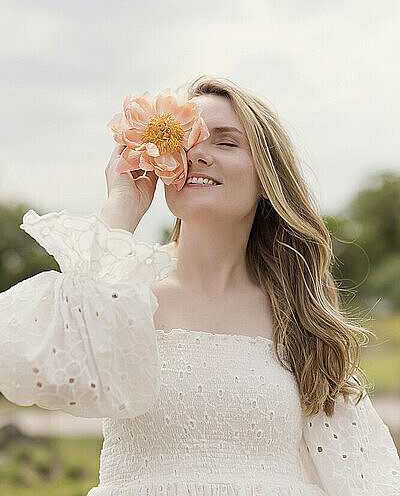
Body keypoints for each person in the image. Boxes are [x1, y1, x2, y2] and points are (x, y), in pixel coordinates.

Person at [0, 75, 399, 496]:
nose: (197, 155)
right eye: (184, 140)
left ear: (267, 181)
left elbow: (366, 477)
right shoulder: (121, 299)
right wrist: (121, 208)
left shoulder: (303, 322)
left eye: (225, 142)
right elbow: (30, 364)